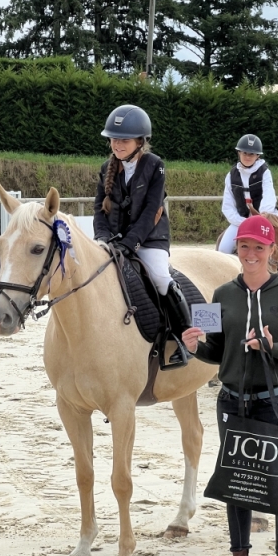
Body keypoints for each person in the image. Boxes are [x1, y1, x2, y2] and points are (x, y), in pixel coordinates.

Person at [182, 214, 278, 556]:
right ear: (236, 249)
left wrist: (273, 347)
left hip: (272, 402)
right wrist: (195, 347)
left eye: (259, 247)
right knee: (235, 485)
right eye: (245, 247)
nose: (251, 254)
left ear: (272, 250)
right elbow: (216, 351)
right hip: (230, 403)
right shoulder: (222, 294)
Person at [93, 104, 192, 364]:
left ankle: (183, 338)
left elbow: (151, 211)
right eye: (114, 139)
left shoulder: (155, 166)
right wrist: (102, 239)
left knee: (160, 277)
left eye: (124, 139)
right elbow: (98, 211)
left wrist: (130, 243)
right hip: (114, 241)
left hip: (149, 239)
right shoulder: (106, 168)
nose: (117, 144)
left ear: (140, 141)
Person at [219, 134, 278, 298]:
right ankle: (224, 288)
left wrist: (261, 220)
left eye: (252, 154)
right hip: (240, 222)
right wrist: (245, 222)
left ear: (257, 156)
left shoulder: (265, 173)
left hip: (269, 219)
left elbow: (268, 199)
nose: (248, 157)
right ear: (239, 153)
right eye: (245, 153)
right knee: (223, 249)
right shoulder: (230, 176)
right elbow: (228, 207)